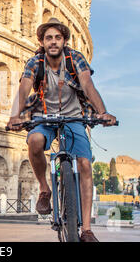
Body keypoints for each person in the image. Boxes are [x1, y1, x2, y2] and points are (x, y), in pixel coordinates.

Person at [7, 18, 117, 242]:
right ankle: (45, 189)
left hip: (74, 117)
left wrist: (102, 111)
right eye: (49, 38)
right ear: (42, 41)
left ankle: (86, 229)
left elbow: (87, 84)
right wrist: (14, 116)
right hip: (43, 116)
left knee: (85, 165)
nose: (53, 42)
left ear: (64, 40)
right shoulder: (35, 62)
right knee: (35, 140)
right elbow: (24, 87)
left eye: (58, 37)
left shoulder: (75, 58)